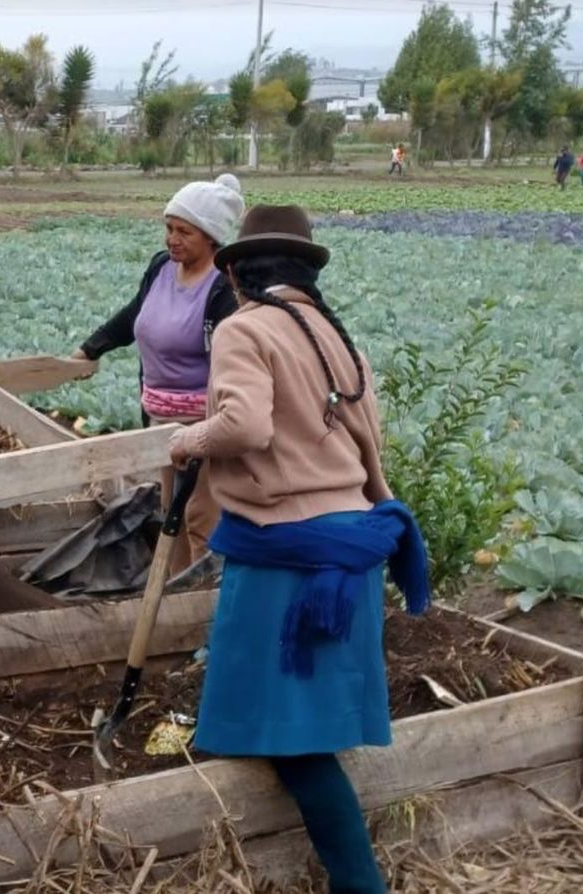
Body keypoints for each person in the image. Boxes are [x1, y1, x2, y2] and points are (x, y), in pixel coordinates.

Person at [168, 205, 430, 894]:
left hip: (288, 556)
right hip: (347, 547)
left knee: (296, 742)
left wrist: (189, 440)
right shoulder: (337, 338)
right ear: (305, 272)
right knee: (293, 718)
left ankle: (360, 884)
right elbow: (370, 448)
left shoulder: (243, 328)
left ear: (232, 271)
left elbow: (245, 425)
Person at [72, 173, 245, 573]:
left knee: (202, 515)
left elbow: (234, 358)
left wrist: (215, 423)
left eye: (184, 231)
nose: (173, 238)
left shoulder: (223, 288)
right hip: (159, 420)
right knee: (171, 513)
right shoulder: (162, 268)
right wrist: (90, 348)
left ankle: (203, 606)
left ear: (211, 237)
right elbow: (135, 314)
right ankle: (171, 599)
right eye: (169, 228)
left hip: (204, 422)